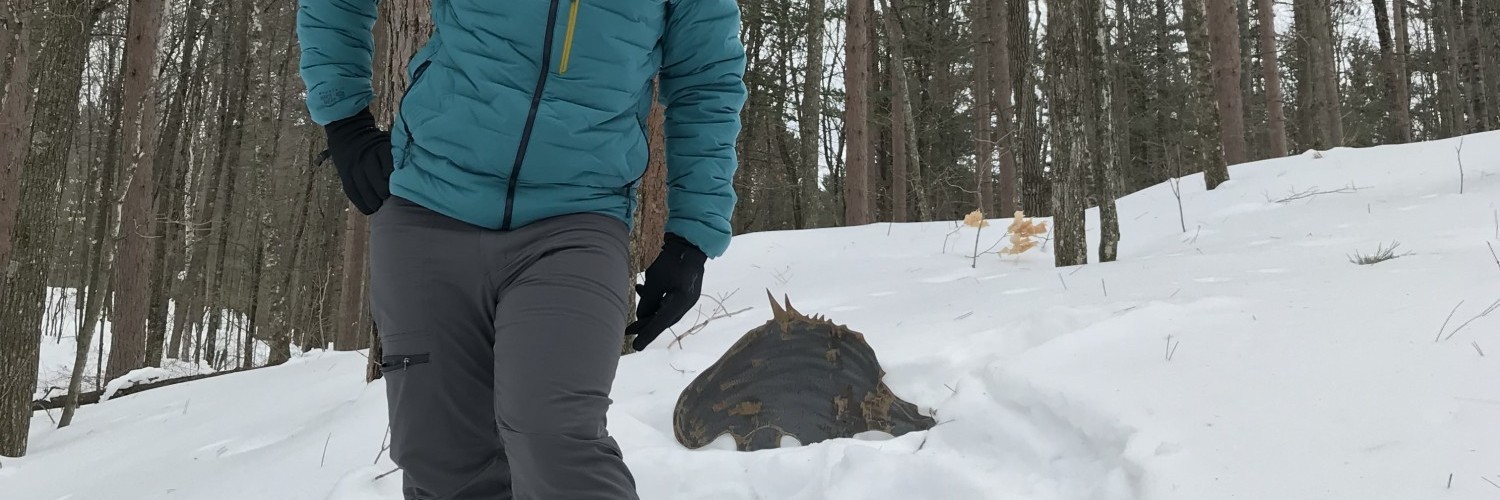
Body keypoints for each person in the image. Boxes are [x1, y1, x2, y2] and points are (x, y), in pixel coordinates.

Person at [295, 0, 747, 498]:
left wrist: (691, 236)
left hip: (576, 222)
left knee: (554, 439)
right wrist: (344, 121)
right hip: (430, 208)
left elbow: (706, 78)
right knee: (443, 462)